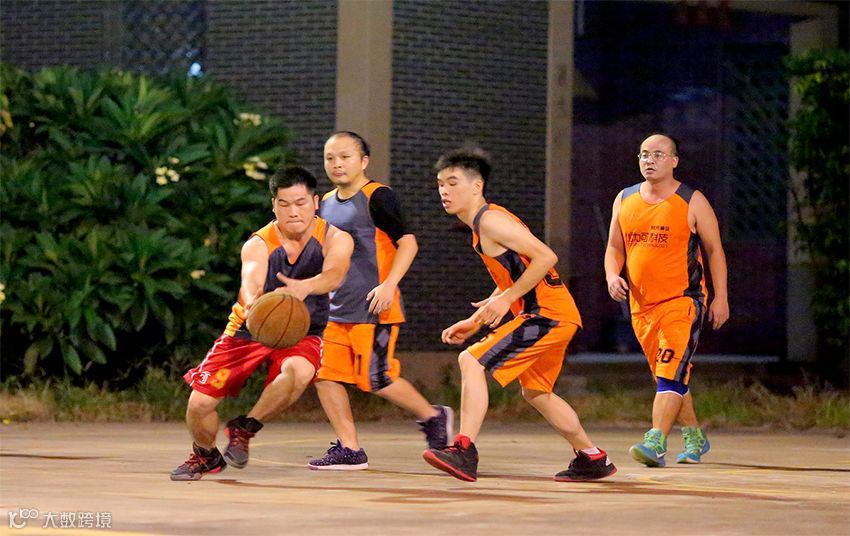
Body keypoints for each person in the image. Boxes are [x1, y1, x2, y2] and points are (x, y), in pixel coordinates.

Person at [422, 146, 617, 482]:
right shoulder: (485, 223)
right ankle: (592, 457)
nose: (444, 191)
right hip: (556, 315)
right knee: (537, 392)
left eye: (452, 183)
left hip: (547, 315)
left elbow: (546, 257)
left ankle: (464, 450)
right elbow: (514, 275)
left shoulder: (490, 221)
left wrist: (508, 299)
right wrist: (477, 319)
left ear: (477, 186)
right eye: (440, 184)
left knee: (471, 361)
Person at [171, 166, 354, 481]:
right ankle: (206, 455)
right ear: (273, 205)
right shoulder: (258, 243)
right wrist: (255, 297)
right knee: (199, 405)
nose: (293, 211)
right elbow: (251, 277)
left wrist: (306, 287)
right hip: (249, 329)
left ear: (315, 203)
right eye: (284, 204)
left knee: (301, 372)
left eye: (300, 203)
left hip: (301, 331)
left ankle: (245, 427)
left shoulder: (336, 238)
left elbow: (335, 274)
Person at [308, 131, 452, 470]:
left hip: (373, 308)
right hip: (335, 309)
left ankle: (433, 416)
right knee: (323, 375)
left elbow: (409, 243)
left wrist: (389, 285)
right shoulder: (325, 203)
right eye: (330, 158)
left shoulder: (378, 196)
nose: (337, 164)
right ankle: (350, 448)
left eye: (345, 156)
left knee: (375, 379)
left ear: (364, 161)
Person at [605, 133, 729, 467]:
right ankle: (695, 436)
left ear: (674, 161)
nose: (649, 160)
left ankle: (655, 442)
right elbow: (615, 247)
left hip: (683, 301)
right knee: (670, 372)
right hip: (641, 307)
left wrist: (721, 297)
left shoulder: (692, 200)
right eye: (644, 154)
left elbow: (715, 251)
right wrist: (612, 276)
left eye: (658, 154)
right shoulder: (624, 199)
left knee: (669, 372)